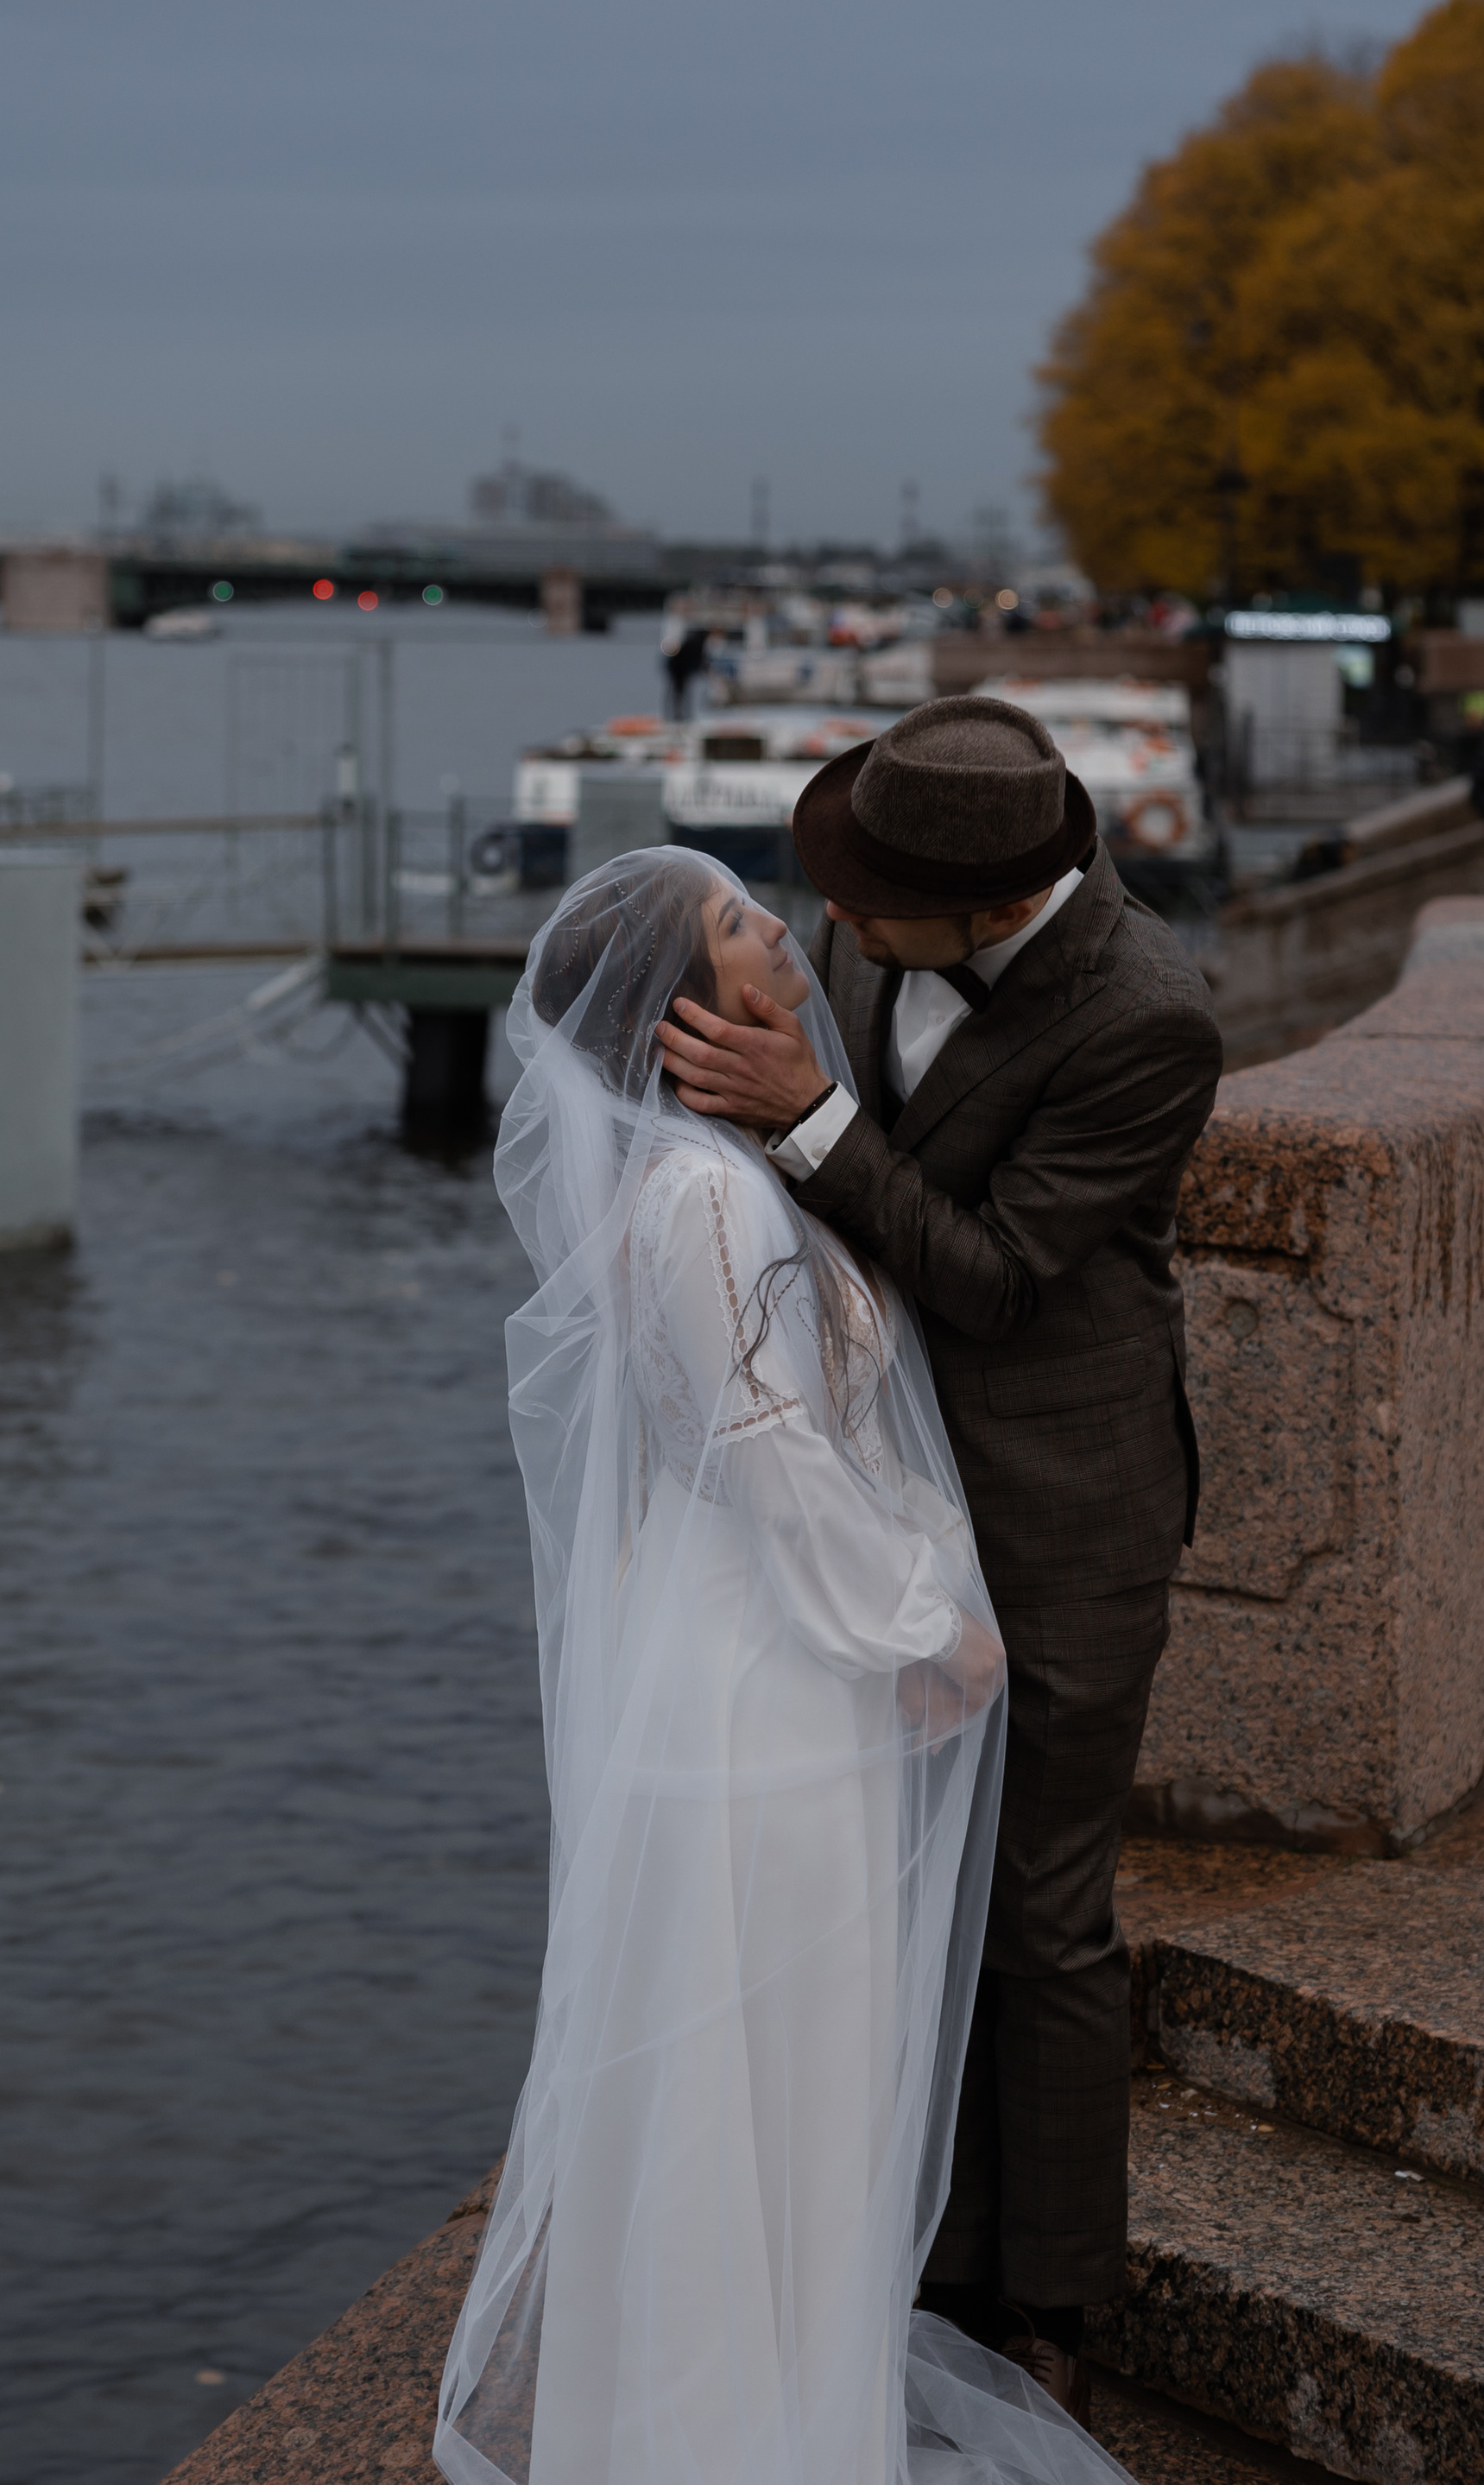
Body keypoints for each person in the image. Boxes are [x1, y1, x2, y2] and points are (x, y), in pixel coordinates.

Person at [436, 848, 1134, 2485]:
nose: (783, 934)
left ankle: (769, 2409)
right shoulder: (701, 1198)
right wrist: (921, 1623)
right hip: (761, 1685)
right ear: (687, 1008)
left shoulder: (736, 1166)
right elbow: (768, 1450)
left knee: (783, 2072)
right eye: (742, 924)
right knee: (762, 2068)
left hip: (763, 1655)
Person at [655, 697, 1222, 2428]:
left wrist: (813, 1115)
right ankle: (918, 2248)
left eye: (868, 900)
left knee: (1037, 1916)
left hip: (1057, 1507)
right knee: (907, 1896)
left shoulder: (1146, 1018)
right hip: (876, 1500)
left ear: (985, 911)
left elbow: (988, 1279)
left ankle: (1045, 2302)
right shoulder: (893, 922)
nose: (830, 918)